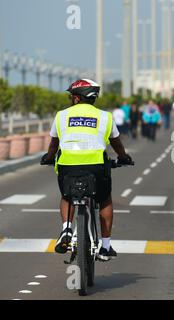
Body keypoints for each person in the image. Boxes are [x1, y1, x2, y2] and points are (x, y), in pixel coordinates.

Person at [40, 79, 134, 262]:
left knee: (67, 196)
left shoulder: (61, 115)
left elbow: (54, 143)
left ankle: (67, 227)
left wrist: (49, 158)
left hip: (68, 166)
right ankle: (105, 246)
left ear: (76, 98)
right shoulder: (105, 117)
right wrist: (124, 157)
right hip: (96, 167)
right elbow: (117, 143)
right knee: (105, 199)